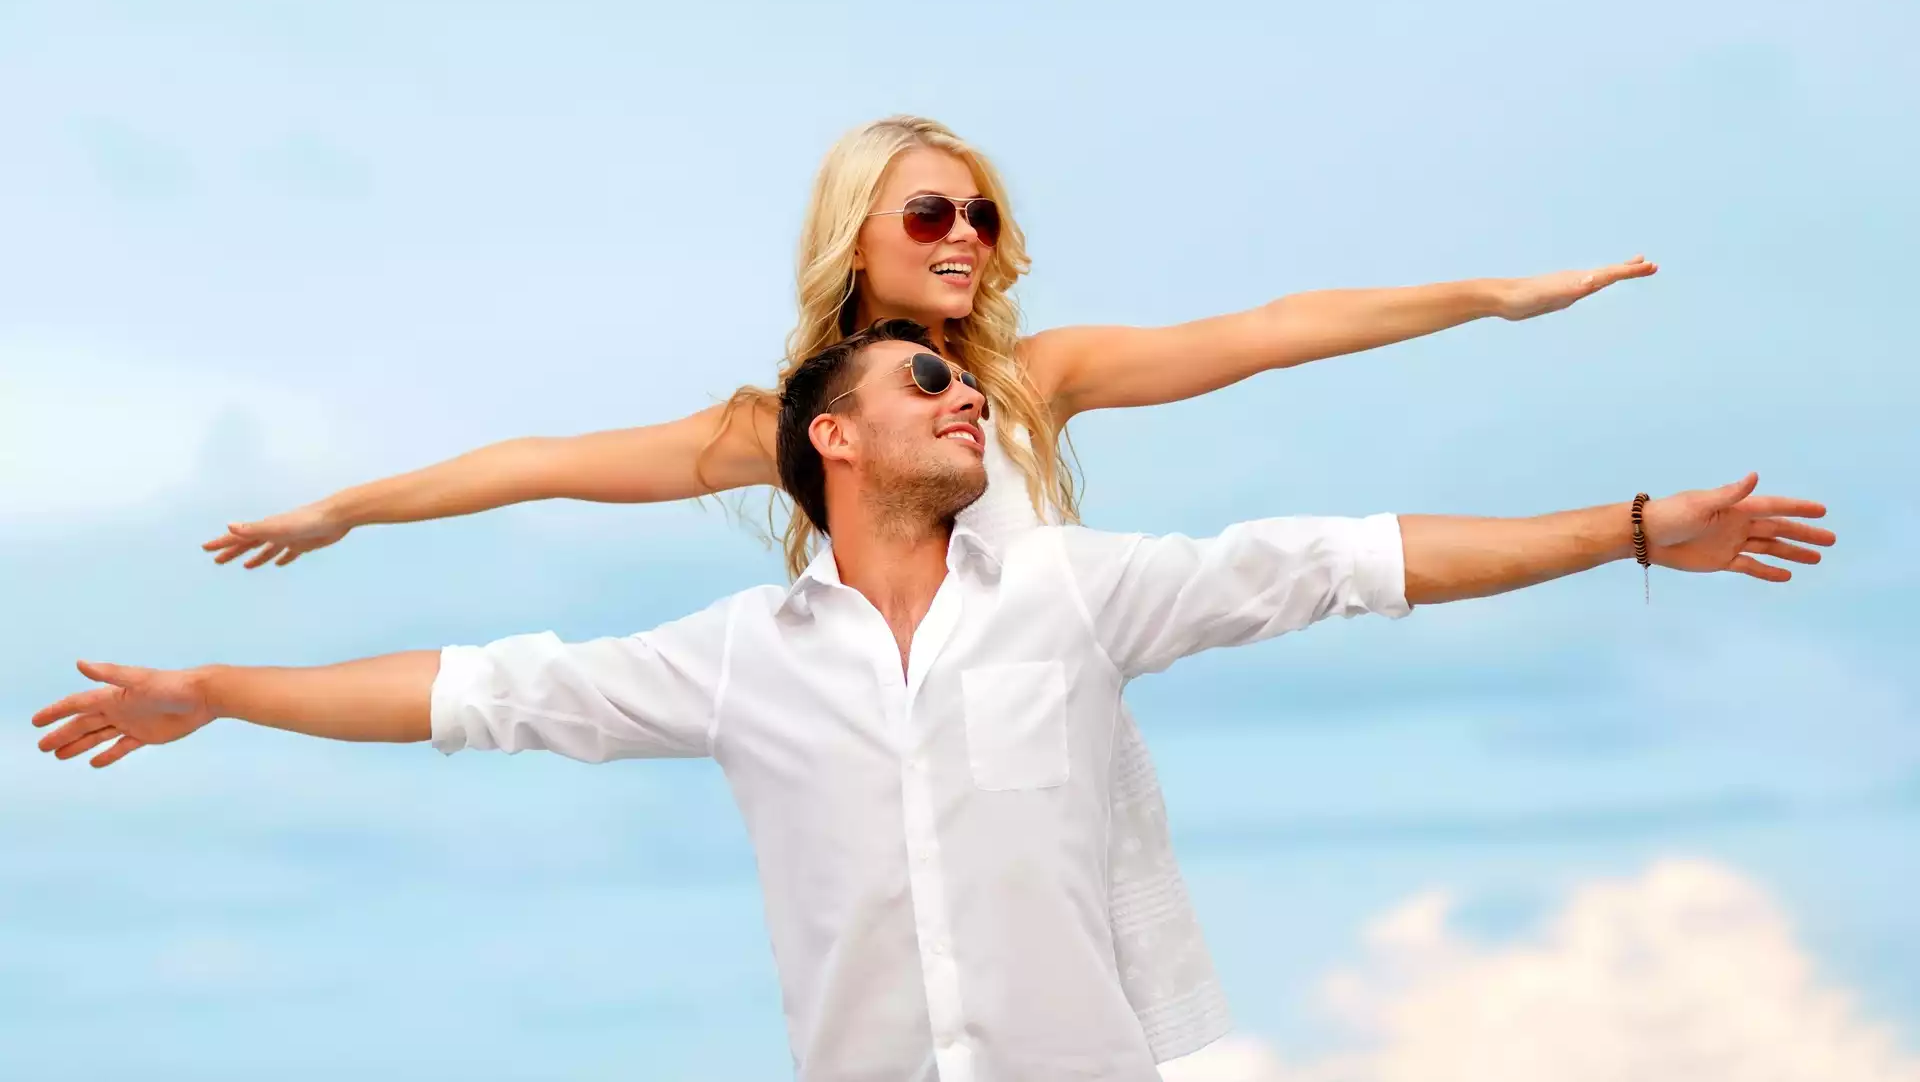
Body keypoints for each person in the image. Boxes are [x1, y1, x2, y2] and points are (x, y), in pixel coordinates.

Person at [196, 116, 1659, 1058]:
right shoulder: (786, 423)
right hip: (892, 743)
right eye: (930, 214)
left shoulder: (1029, 381)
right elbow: (543, 464)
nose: (966, 235)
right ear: (859, 236)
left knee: (1132, 1016)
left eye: (983, 215)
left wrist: (1492, 299)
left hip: (1054, 739)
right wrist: (348, 508)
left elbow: (1272, 329)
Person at [39, 320, 1832, 1082]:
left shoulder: (1079, 593)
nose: (971, 397)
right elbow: (474, 690)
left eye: (972, 387)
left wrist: (1627, 528)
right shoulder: (739, 654)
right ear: (831, 437)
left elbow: (1350, 558)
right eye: (926, 385)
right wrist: (223, 689)